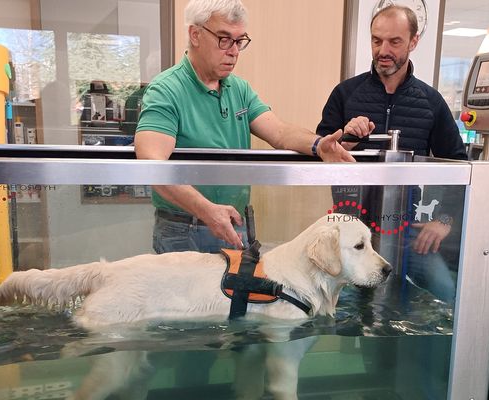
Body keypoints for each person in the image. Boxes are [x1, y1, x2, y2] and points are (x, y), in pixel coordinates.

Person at [135, 0, 353, 255]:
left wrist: (317, 145)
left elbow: (280, 132)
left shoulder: (238, 89)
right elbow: (151, 164)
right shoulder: (166, 90)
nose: (234, 51)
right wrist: (207, 210)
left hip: (236, 223)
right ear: (195, 34)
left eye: (239, 41)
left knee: (236, 296)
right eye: (224, 39)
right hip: (186, 230)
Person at [317, 5, 467, 303]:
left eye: (394, 42)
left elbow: (458, 163)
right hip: (350, 232)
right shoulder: (345, 94)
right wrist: (345, 139)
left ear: (414, 42)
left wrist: (445, 220)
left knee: (449, 295)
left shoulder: (431, 102)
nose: (383, 50)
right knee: (343, 312)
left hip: (404, 231)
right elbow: (321, 153)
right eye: (376, 40)